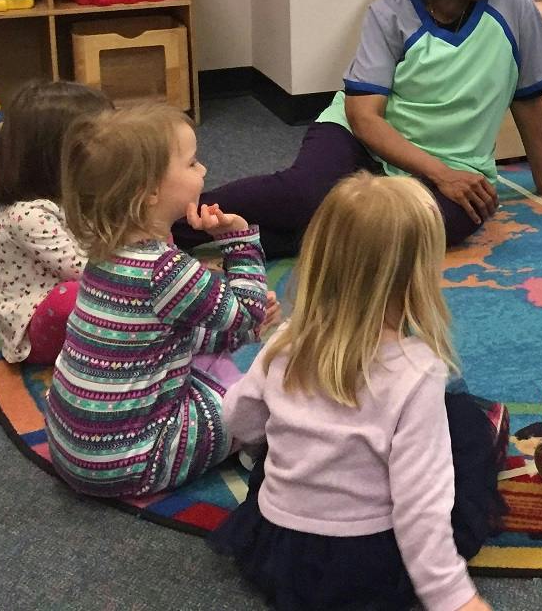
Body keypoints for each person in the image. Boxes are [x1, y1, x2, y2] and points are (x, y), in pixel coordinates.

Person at [196, 0, 542, 257]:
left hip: (456, 160)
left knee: (439, 224)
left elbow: (527, 95)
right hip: (361, 139)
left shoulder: (513, 2)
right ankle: (177, 224)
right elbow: (364, 117)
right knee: (304, 193)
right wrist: (440, 175)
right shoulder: (390, 11)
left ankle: (249, 240)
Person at [210, 173, 500, 611]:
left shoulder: (285, 340)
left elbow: (239, 419)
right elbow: (421, 503)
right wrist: (454, 598)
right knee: (466, 423)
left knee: (277, 443)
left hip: (279, 548)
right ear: (417, 277)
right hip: (366, 563)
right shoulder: (418, 370)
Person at [46, 104, 271, 498]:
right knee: (251, 396)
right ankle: (259, 447)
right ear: (148, 192)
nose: (203, 170)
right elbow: (249, 312)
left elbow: (160, 338)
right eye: (192, 163)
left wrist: (237, 333)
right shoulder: (166, 270)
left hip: (70, 449)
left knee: (205, 358)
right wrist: (237, 239)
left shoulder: (104, 254)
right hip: (135, 461)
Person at [0, 81, 114, 365]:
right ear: (58, 155)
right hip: (38, 332)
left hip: (86, 301)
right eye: (103, 141)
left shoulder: (78, 193)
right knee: (72, 297)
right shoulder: (27, 216)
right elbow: (83, 270)